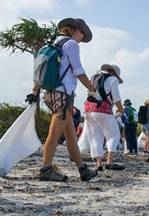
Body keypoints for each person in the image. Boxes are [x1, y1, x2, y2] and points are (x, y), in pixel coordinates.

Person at [26, 18, 98, 182]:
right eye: (82, 34)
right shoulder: (71, 45)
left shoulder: (48, 45)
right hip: (63, 94)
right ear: (75, 30)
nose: (82, 38)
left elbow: (38, 72)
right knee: (54, 134)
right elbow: (78, 70)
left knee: (70, 134)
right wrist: (91, 88)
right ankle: (46, 169)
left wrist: (34, 92)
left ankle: (82, 169)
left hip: (49, 93)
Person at [83, 64, 126, 171]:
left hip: (89, 110)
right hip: (104, 110)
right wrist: (121, 110)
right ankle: (109, 161)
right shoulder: (112, 79)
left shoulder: (94, 77)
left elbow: (90, 93)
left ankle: (98, 163)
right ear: (114, 72)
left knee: (95, 136)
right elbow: (116, 98)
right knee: (113, 135)